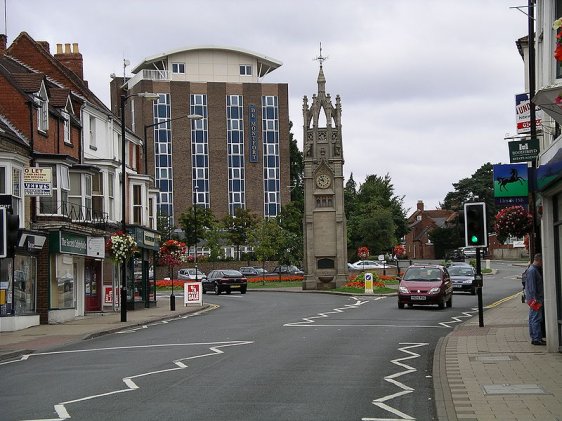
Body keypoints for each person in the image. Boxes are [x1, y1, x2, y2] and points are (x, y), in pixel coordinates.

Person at [524, 253, 545, 345]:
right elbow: (532, 286)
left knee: (533, 317)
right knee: (536, 318)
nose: (542, 263)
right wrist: (535, 299)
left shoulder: (532, 269)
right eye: (542, 261)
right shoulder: (533, 270)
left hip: (534, 298)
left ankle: (535, 337)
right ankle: (536, 338)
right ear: (539, 260)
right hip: (535, 299)